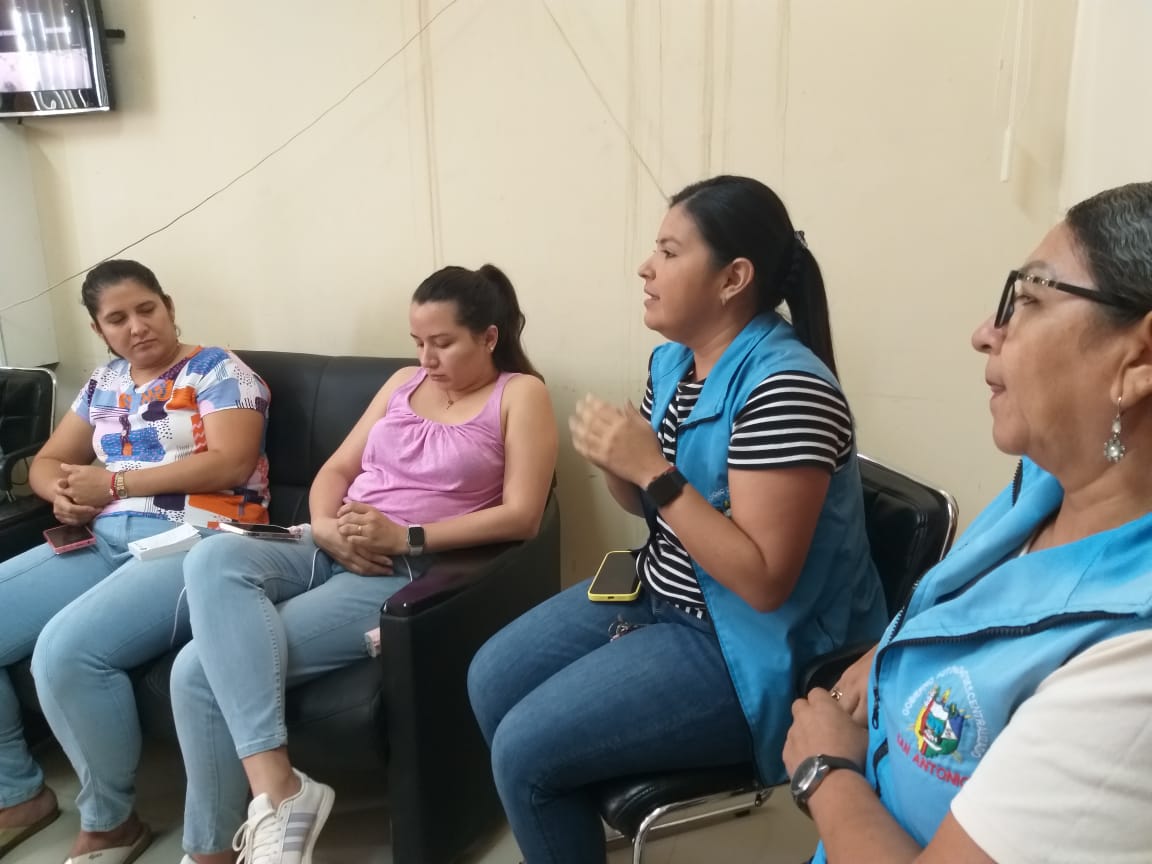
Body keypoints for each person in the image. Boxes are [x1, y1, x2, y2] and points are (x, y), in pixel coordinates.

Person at [468, 175, 887, 863]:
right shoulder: (674, 364)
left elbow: (763, 582)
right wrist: (618, 462)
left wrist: (652, 471)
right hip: (663, 591)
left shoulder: (788, 389)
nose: (646, 267)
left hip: (747, 644)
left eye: (668, 251)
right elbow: (646, 506)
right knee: (489, 677)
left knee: (523, 752)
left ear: (733, 279)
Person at [783, 181, 1152, 863]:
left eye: (1030, 299)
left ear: (1140, 359)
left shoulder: (1134, 668)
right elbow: (976, 610)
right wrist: (889, 654)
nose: (985, 332)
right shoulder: (1046, 486)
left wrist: (825, 772)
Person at [170, 263, 558, 864]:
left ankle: (211, 852)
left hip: (398, 569)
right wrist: (325, 527)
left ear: (489, 337)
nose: (426, 358)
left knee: (194, 673)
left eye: (443, 342)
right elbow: (337, 469)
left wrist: (407, 537)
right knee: (213, 556)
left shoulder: (520, 394)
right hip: (328, 541)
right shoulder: (403, 382)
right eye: (418, 341)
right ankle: (282, 792)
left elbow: (523, 516)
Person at [0, 259, 271, 863]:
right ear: (99, 329)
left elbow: (231, 461)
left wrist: (113, 484)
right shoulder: (105, 381)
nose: (137, 326)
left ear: (168, 307)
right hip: (104, 536)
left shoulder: (220, 371)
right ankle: (16, 794)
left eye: (147, 309)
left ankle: (109, 822)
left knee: (66, 652)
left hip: (201, 540)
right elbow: (46, 462)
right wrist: (62, 493)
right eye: (117, 318)